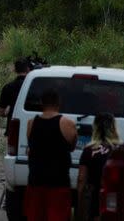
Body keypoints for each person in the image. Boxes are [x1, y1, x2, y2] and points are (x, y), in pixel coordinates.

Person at [24, 89, 77, 221]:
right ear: (59, 103)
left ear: (42, 103)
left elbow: (31, 146)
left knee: (35, 216)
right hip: (58, 182)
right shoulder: (67, 124)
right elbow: (72, 147)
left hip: (36, 180)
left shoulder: (31, 123)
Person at [77, 113, 124, 221]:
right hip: (115, 199)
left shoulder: (89, 150)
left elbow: (81, 179)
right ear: (114, 128)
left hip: (95, 198)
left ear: (95, 128)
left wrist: (79, 202)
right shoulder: (123, 149)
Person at [0, 59, 30, 135]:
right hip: (31, 127)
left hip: (13, 128)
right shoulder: (33, 86)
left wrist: (9, 112)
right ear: (28, 69)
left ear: (15, 70)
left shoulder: (8, 87)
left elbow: (1, 112)